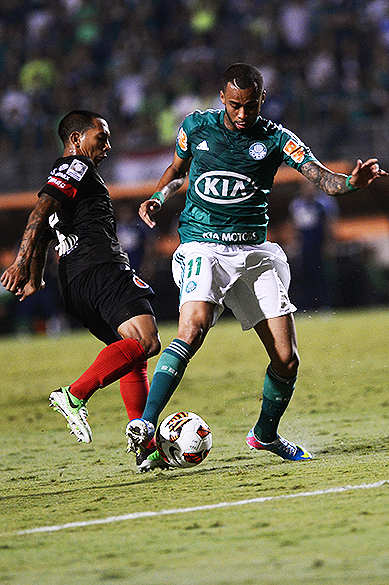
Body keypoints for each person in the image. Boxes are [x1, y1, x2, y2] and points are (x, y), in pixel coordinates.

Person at [125, 63, 386, 472]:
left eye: (249, 106)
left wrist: (350, 183)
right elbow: (177, 173)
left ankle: (265, 435)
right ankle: (144, 424)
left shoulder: (276, 138)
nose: (242, 114)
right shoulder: (195, 127)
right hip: (202, 246)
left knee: (287, 359)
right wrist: (159, 196)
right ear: (222, 100)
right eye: (234, 106)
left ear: (261, 100)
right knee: (191, 330)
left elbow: (321, 177)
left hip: (253, 253)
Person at [0, 110, 162, 463]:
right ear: (76, 140)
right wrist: (20, 263)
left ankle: (144, 445)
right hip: (100, 269)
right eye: (99, 137)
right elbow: (39, 212)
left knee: (130, 355)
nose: (107, 145)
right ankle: (74, 395)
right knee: (146, 341)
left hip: (75, 283)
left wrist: (35, 273)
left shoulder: (67, 179)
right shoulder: (77, 167)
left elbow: (45, 228)